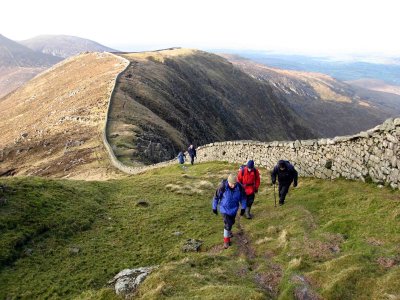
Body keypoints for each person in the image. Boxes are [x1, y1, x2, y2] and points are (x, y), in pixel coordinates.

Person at [212, 173, 246, 249]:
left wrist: (243, 208)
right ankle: (226, 241)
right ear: (228, 181)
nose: (233, 185)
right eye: (231, 184)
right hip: (224, 209)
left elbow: (243, 198)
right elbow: (216, 197)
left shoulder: (239, 187)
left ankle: (229, 230)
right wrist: (214, 207)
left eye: (234, 184)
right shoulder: (222, 187)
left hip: (234, 209)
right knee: (227, 224)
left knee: (232, 222)